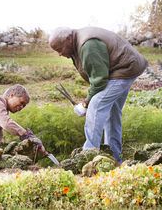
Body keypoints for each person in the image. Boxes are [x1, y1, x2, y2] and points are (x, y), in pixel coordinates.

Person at [49, 26, 148, 164]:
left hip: (125, 69)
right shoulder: (77, 42)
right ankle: (113, 157)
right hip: (126, 67)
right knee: (112, 112)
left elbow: (100, 80)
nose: (59, 54)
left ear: (68, 39)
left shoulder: (88, 45)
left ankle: (88, 156)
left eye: (60, 49)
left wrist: (86, 103)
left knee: (96, 105)